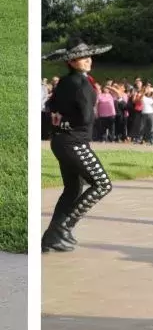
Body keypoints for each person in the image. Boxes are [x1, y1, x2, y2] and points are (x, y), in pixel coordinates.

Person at [42, 40, 115, 252]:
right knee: (102, 184)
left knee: (73, 188)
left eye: (89, 56)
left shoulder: (65, 81)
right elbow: (85, 115)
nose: (88, 60)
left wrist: (61, 118)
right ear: (72, 62)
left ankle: (52, 236)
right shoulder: (82, 84)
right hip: (74, 141)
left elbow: (51, 106)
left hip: (61, 140)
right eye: (83, 58)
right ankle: (62, 229)